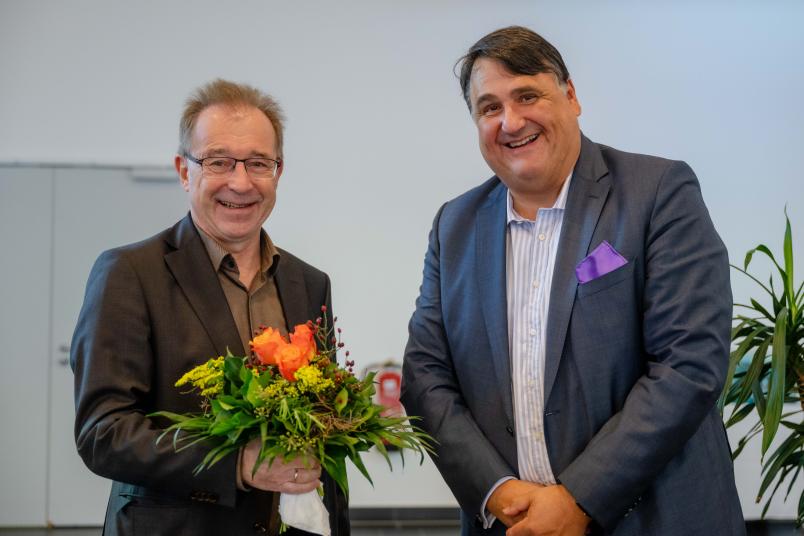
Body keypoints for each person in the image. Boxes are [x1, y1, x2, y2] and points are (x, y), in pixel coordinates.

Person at [401, 26, 744, 535]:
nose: (511, 121)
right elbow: (425, 376)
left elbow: (687, 362)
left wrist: (578, 499)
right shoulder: (454, 225)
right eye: (489, 107)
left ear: (571, 95)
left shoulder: (658, 194)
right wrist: (499, 491)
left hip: (655, 520)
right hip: (511, 525)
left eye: (527, 95)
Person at [71, 79, 349, 535]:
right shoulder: (129, 273)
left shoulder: (309, 283)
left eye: (259, 163)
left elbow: (325, 428)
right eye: (219, 161)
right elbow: (104, 433)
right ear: (185, 171)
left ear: (278, 172)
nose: (240, 182)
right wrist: (237, 465)